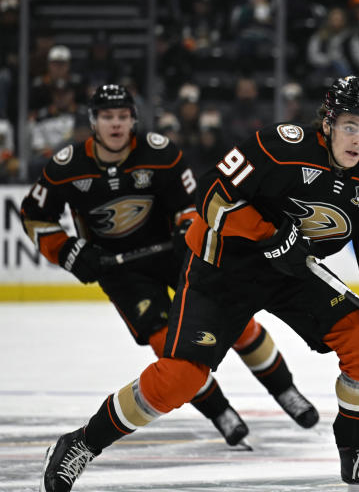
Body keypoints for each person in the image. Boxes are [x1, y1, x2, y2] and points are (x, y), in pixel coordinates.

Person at [37, 76, 359, 492]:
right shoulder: (280, 145)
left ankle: (357, 457)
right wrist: (268, 235)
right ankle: (81, 443)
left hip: (294, 272)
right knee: (182, 379)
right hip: (221, 266)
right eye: (351, 125)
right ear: (329, 120)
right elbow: (211, 193)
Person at [21, 84, 319, 454]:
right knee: (169, 346)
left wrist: (184, 226)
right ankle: (221, 413)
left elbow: (193, 203)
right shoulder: (66, 166)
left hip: (176, 255)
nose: (116, 124)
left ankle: (285, 390)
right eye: (107, 117)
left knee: (237, 323)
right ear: (93, 121)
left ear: (134, 119)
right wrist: (69, 251)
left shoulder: (160, 154)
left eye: (123, 116)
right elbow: (34, 216)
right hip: (121, 273)